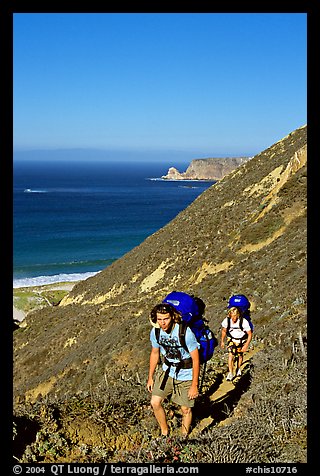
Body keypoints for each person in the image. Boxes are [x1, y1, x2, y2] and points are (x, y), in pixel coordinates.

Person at [147, 303, 200, 437]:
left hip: (186, 373)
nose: (162, 323)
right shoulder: (156, 331)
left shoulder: (185, 332)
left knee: (185, 409)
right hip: (167, 371)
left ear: (173, 317)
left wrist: (194, 385)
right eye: (159, 319)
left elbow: (195, 359)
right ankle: (165, 432)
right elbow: (155, 353)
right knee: (155, 402)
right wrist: (150, 377)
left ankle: (184, 436)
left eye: (166, 319)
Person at [220, 305, 252, 381]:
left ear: (238, 315)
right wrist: (222, 341)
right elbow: (224, 331)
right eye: (232, 316)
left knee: (240, 355)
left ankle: (238, 368)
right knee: (231, 355)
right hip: (231, 339)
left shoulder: (244, 322)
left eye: (235, 316)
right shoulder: (227, 321)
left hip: (241, 340)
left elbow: (250, 334)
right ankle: (230, 373)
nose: (233, 318)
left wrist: (246, 345)